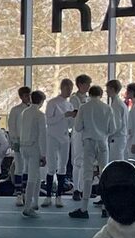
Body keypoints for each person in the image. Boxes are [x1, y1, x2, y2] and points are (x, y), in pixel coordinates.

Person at [69, 86, 114, 220]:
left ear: (90, 93)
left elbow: (77, 127)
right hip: (102, 142)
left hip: (88, 142)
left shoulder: (84, 107)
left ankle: (84, 208)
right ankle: (106, 208)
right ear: (101, 94)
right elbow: (113, 128)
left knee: (87, 174)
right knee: (104, 174)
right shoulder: (107, 108)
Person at [43, 78, 74, 208]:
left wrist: (73, 117)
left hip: (65, 138)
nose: (69, 91)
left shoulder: (70, 105)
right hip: (52, 137)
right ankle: (48, 196)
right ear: (62, 88)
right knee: (51, 166)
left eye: (71, 89)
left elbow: (70, 124)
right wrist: (64, 115)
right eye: (67, 89)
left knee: (63, 167)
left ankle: (59, 196)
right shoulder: (52, 103)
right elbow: (48, 121)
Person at [19, 90, 48, 218]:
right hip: (34, 148)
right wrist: (44, 154)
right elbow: (42, 135)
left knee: (35, 176)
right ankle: (27, 207)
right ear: (41, 101)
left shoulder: (25, 112)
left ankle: (35, 202)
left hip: (24, 147)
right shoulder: (40, 115)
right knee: (32, 177)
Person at [69, 75, 92, 201]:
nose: (88, 86)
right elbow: (75, 113)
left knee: (86, 161)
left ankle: (84, 188)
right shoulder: (74, 98)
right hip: (78, 132)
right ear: (80, 85)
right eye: (87, 84)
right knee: (77, 160)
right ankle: (76, 189)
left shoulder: (89, 98)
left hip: (88, 132)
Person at [7, 86, 31, 205]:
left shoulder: (33, 110)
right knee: (19, 168)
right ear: (21, 97)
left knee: (27, 168)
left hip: (30, 143)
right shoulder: (15, 110)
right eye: (26, 95)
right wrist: (14, 141)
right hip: (19, 142)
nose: (28, 97)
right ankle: (18, 194)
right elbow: (11, 126)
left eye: (29, 95)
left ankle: (26, 193)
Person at [106, 79, 128, 164]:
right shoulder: (120, 103)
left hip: (116, 139)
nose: (106, 91)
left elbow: (116, 125)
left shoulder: (116, 105)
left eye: (107, 89)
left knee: (115, 163)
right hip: (121, 138)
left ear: (112, 89)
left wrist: (107, 134)